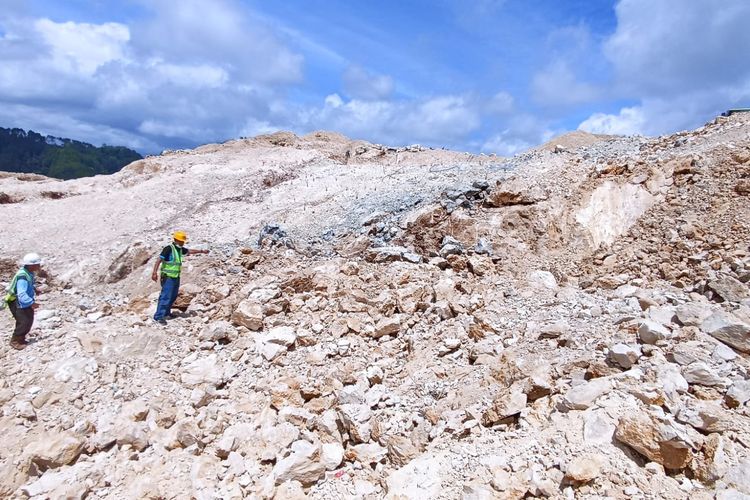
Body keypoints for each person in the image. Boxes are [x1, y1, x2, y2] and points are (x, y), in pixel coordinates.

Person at [151, 231, 208, 324]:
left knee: (173, 295)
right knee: (165, 296)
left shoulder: (179, 249)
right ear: (176, 240)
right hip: (168, 277)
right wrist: (154, 272)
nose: (182, 243)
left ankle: (166, 313)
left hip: (175, 276)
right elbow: (159, 260)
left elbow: (189, 251)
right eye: (181, 241)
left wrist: (201, 251)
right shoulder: (169, 249)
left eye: (183, 241)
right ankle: (159, 316)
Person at [3, 253, 42, 350]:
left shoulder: (28, 273)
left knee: (29, 319)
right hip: (17, 302)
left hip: (23, 301)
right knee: (23, 321)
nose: (39, 266)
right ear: (32, 265)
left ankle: (21, 338)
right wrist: (31, 303)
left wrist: (34, 289)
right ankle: (15, 341)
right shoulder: (22, 277)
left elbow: (30, 284)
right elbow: (21, 294)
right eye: (38, 264)